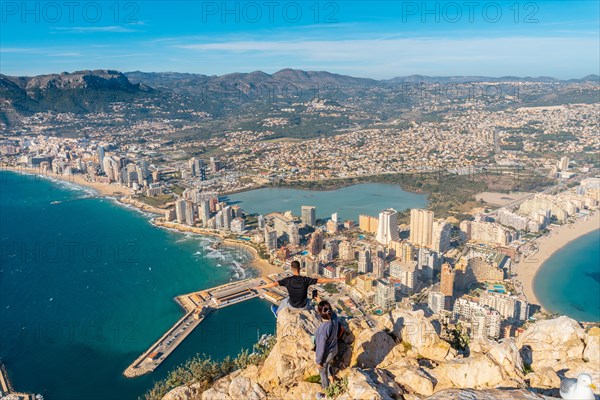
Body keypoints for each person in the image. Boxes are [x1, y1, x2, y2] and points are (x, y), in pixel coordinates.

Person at [257, 260, 344, 316]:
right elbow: (321, 280)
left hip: (292, 306)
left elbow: (273, 284)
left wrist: (261, 286)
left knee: (285, 300)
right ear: (300, 268)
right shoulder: (305, 280)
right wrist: (336, 279)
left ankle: (277, 313)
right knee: (310, 299)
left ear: (291, 269)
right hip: (304, 306)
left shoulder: (287, 280)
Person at [314, 300, 339, 398]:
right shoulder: (334, 318)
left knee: (322, 372)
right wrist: (320, 300)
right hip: (334, 349)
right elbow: (330, 311)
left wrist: (318, 361)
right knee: (328, 364)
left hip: (326, 353)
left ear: (319, 313)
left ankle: (326, 393)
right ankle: (332, 380)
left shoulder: (324, 329)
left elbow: (321, 347)